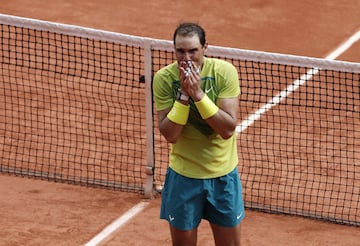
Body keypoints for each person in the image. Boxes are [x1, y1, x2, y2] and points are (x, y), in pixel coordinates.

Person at [152, 22, 245, 246]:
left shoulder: (224, 72)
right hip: (183, 178)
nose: (186, 58)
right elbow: (170, 135)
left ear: (205, 48)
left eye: (193, 50)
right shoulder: (164, 79)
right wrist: (184, 96)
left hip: (222, 176)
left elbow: (227, 129)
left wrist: (198, 95)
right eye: (180, 51)